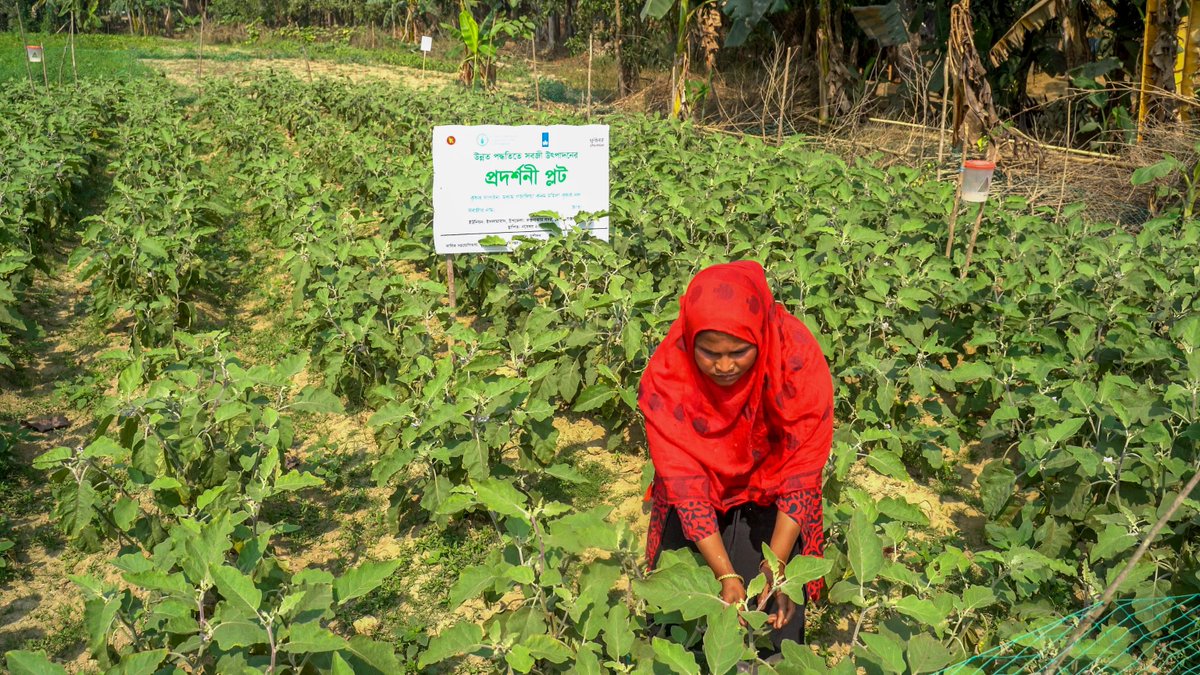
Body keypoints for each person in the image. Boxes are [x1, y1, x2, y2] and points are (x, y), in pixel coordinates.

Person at [638, 260, 833, 651]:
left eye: (739, 352)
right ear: (690, 339)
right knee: (678, 617)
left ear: (760, 337)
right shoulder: (668, 375)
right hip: (698, 489)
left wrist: (776, 566)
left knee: (772, 620)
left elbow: (800, 473)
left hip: (772, 489)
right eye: (709, 353)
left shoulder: (795, 359)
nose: (724, 366)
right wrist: (726, 575)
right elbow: (683, 483)